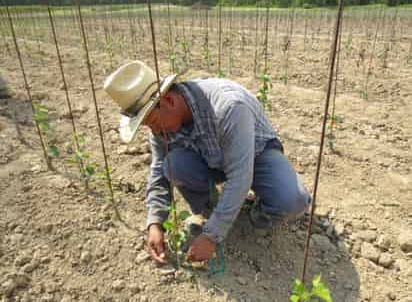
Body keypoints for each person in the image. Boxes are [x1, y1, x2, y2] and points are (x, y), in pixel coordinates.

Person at [103, 61, 311, 263]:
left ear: (170, 102)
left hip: (257, 154)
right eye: (148, 126)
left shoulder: (228, 107)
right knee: (173, 165)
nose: (154, 132)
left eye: (154, 124)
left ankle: (250, 219)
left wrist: (211, 235)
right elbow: (158, 170)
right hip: (211, 159)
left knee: (292, 200)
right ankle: (212, 207)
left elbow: (240, 176)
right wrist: (155, 223)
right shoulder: (161, 126)